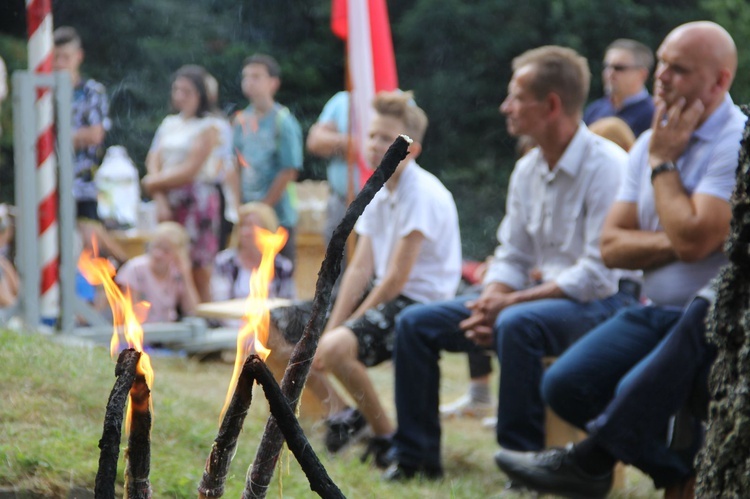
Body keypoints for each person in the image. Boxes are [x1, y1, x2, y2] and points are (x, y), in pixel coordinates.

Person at [493, 21, 746, 497]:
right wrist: (684, 233)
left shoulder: (734, 141)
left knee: (533, 333)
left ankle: (590, 463)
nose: (663, 77)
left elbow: (694, 239)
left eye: (680, 69)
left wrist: (666, 167)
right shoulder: (650, 141)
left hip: (713, 322)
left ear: (720, 81)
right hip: (655, 310)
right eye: (663, 62)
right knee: (566, 385)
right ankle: (673, 472)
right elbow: (614, 246)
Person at [386, 46, 640, 482]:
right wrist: (491, 300)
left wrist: (509, 304)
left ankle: (521, 469)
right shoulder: (527, 169)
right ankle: (415, 458)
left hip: (608, 302)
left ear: (552, 104)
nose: (505, 107)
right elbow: (513, 255)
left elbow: (596, 276)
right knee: (414, 323)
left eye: (516, 97)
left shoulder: (608, 167)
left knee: (517, 324)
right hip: (541, 300)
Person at [305, 90, 462, 467]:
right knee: (280, 328)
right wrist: (333, 322)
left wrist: (342, 330)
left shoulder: (421, 192)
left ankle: (384, 434)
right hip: (389, 293)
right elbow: (360, 268)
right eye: (372, 135)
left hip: (420, 302)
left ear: (412, 149)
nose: (374, 144)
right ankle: (346, 415)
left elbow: (395, 278)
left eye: (385, 137)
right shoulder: (378, 186)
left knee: (337, 348)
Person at [142, 64, 221, 303]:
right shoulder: (168, 123)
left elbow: (191, 168)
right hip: (167, 195)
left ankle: (203, 310)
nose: (180, 96)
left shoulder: (209, 126)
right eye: (177, 90)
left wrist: (152, 183)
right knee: (166, 255)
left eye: (187, 91)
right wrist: (158, 195)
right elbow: (153, 158)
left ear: (200, 95)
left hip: (196, 200)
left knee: (197, 261)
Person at [233, 54, 303, 268]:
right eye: (246, 77)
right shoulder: (240, 120)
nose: (249, 82)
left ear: (273, 83)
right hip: (247, 214)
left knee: (277, 272)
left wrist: (263, 209)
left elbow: (289, 170)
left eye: (256, 76)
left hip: (278, 216)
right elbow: (235, 166)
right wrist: (239, 206)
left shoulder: (283, 121)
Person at [53, 26, 111, 221]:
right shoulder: (44, 93)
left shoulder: (92, 91)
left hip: (83, 184)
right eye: (56, 57)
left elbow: (95, 135)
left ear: (79, 56)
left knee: (89, 236)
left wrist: (56, 139)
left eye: (65, 57)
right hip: (49, 183)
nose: (60, 64)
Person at [210, 202, 295, 314]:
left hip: (270, 326)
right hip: (232, 325)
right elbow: (219, 303)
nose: (245, 232)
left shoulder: (282, 266)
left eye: (252, 226)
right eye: (242, 226)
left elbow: (288, 306)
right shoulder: (225, 262)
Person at [115, 222, 199, 323]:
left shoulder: (175, 273)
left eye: (166, 251)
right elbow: (130, 314)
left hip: (167, 333)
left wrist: (186, 275)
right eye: (156, 247)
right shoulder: (135, 269)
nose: (158, 254)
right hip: (142, 333)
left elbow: (192, 310)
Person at [306, 91, 355, 243]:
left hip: (383, 204)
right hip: (342, 202)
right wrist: (345, 143)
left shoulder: (397, 101)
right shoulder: (342, 101)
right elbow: (315, 142)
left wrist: (334, 142)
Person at [583, 39, 655, 137]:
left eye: (619, 68)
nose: (609, 73)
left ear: (642, 74)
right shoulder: (595, 110)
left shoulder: (653, 116)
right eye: (606, 66)